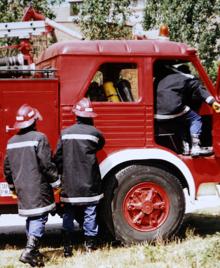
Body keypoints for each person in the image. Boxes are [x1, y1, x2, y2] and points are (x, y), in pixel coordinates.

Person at [4, 104, 61, 267]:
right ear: (33, 121)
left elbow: (7, 169)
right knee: (39, 216)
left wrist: (13, 188)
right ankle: (29, 251)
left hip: (22, 187)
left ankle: (34, 252)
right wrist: (57, 182)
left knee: (32, 216)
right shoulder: (39, 138)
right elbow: (46, 164)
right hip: (38, 186)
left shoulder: (11, 142)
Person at [54, 97, 105, 257]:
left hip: (69, 184)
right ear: (90, 116)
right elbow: (100, 145)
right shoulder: (95, 133)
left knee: (68, 212)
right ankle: (90, 245)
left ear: (76, 114)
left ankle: (67, 247)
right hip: (89, 182)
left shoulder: (65, 133)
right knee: (90, 212)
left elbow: (57, 157)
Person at [154, 62, 220, 157]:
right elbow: (203, 93)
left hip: (156, 114)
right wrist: (216, 105)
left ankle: (185, 148)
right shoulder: (186, 78)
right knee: (195, 118)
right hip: (172, 110)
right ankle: (196, 147)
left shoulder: (159, 79)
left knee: (181, 121)